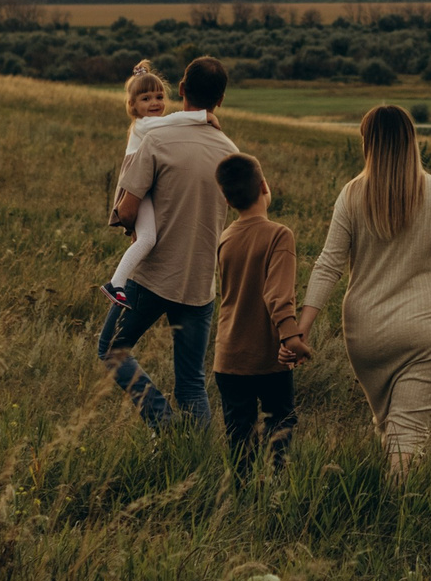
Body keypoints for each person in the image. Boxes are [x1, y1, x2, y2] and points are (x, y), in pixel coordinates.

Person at [287, 104, 431, 482]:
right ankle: (401, 509)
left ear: (368, 144)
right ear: (411, 141)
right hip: (426, 330)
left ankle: (391, 497)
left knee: (391, 426)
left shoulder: (351, 195)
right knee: (407, 431)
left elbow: (328, 265)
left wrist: (302, 328)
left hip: (366, 333)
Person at [100, 56, 237, 428]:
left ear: (180, 89)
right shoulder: (229, 150)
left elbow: (127, 209)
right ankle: (195, 453)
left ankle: (165, 425)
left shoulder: (157, 138)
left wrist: (136, 227)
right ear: (220, 99)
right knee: (192, 381)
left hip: (154, 276)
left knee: (112, 349)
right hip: (200, 282)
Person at [211, 152, 304, 472]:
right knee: (280, 424)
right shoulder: (279, 234)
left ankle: (241, 495)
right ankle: (272, 491)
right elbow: (278, 294)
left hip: (228, 357)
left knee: (239, 438)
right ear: (264, 186)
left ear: (226, 200)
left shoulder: (226, 237)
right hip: (268, 359)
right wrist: (291, 337)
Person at [102, 61, 203, 307]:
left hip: (143, 181)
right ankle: (116, 283)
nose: (155, 103)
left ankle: (122, 282)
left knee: (147, 236)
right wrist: (204, 116)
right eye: (146, 99)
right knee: (148, 239)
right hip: (136, 182)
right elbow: (174, 122)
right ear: (133, 105)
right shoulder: (144, 123)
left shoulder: (150, 124)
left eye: (159, 97)